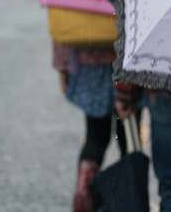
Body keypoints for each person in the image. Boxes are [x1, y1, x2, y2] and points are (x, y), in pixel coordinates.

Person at [53, 42, 142, 212]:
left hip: (91, 52)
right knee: (129, 140)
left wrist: (62, 63)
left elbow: (60, 19)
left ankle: (84, 189)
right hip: (128, 58)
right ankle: (128, 203)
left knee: (95, 136)